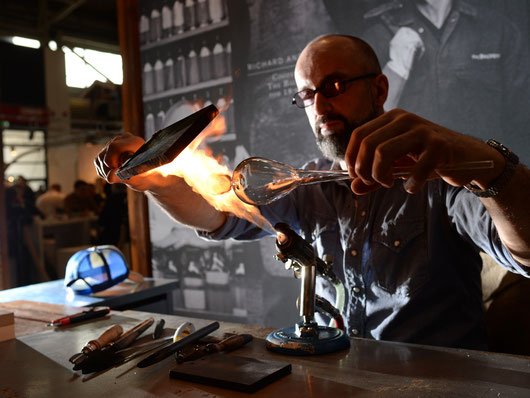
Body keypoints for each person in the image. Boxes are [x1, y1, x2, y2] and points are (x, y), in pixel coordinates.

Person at [95, 34, 530, 350]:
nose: (320, 107)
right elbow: (217, 214)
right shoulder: (304, 186)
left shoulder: (437, 180)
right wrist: (153, 180)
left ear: (378, 88)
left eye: (335, 87)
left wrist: (488, 167)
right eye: (307, 95)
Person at [361, 0, 530, 150]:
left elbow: (521, 122)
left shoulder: (496, 30)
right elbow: (365, 127)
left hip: (479, 172)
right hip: (410, 177)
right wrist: (396, 68)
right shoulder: (378, 33)